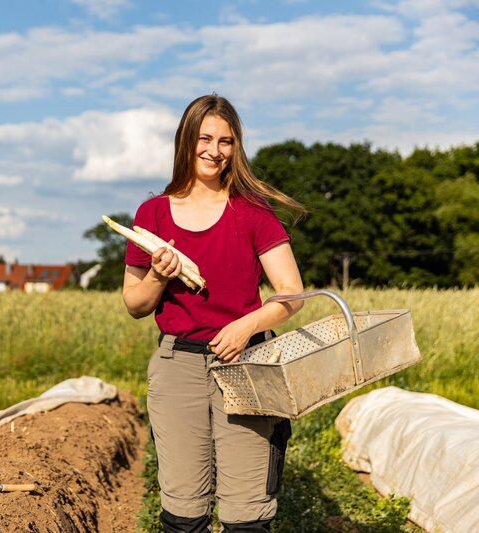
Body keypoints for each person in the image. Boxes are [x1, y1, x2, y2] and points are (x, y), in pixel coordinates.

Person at [122, 94, 306, 532]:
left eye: (226, 141)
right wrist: (158, 277)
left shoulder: (252, 212)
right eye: (204, 138)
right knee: (184, 512)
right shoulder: (152, 215)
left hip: (245, 364)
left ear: (235, 147)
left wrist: (246, 326)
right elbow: (135, 303)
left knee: (247, 515)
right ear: (186, 142)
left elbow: (291, 293)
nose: (214, 150)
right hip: (177, 366)